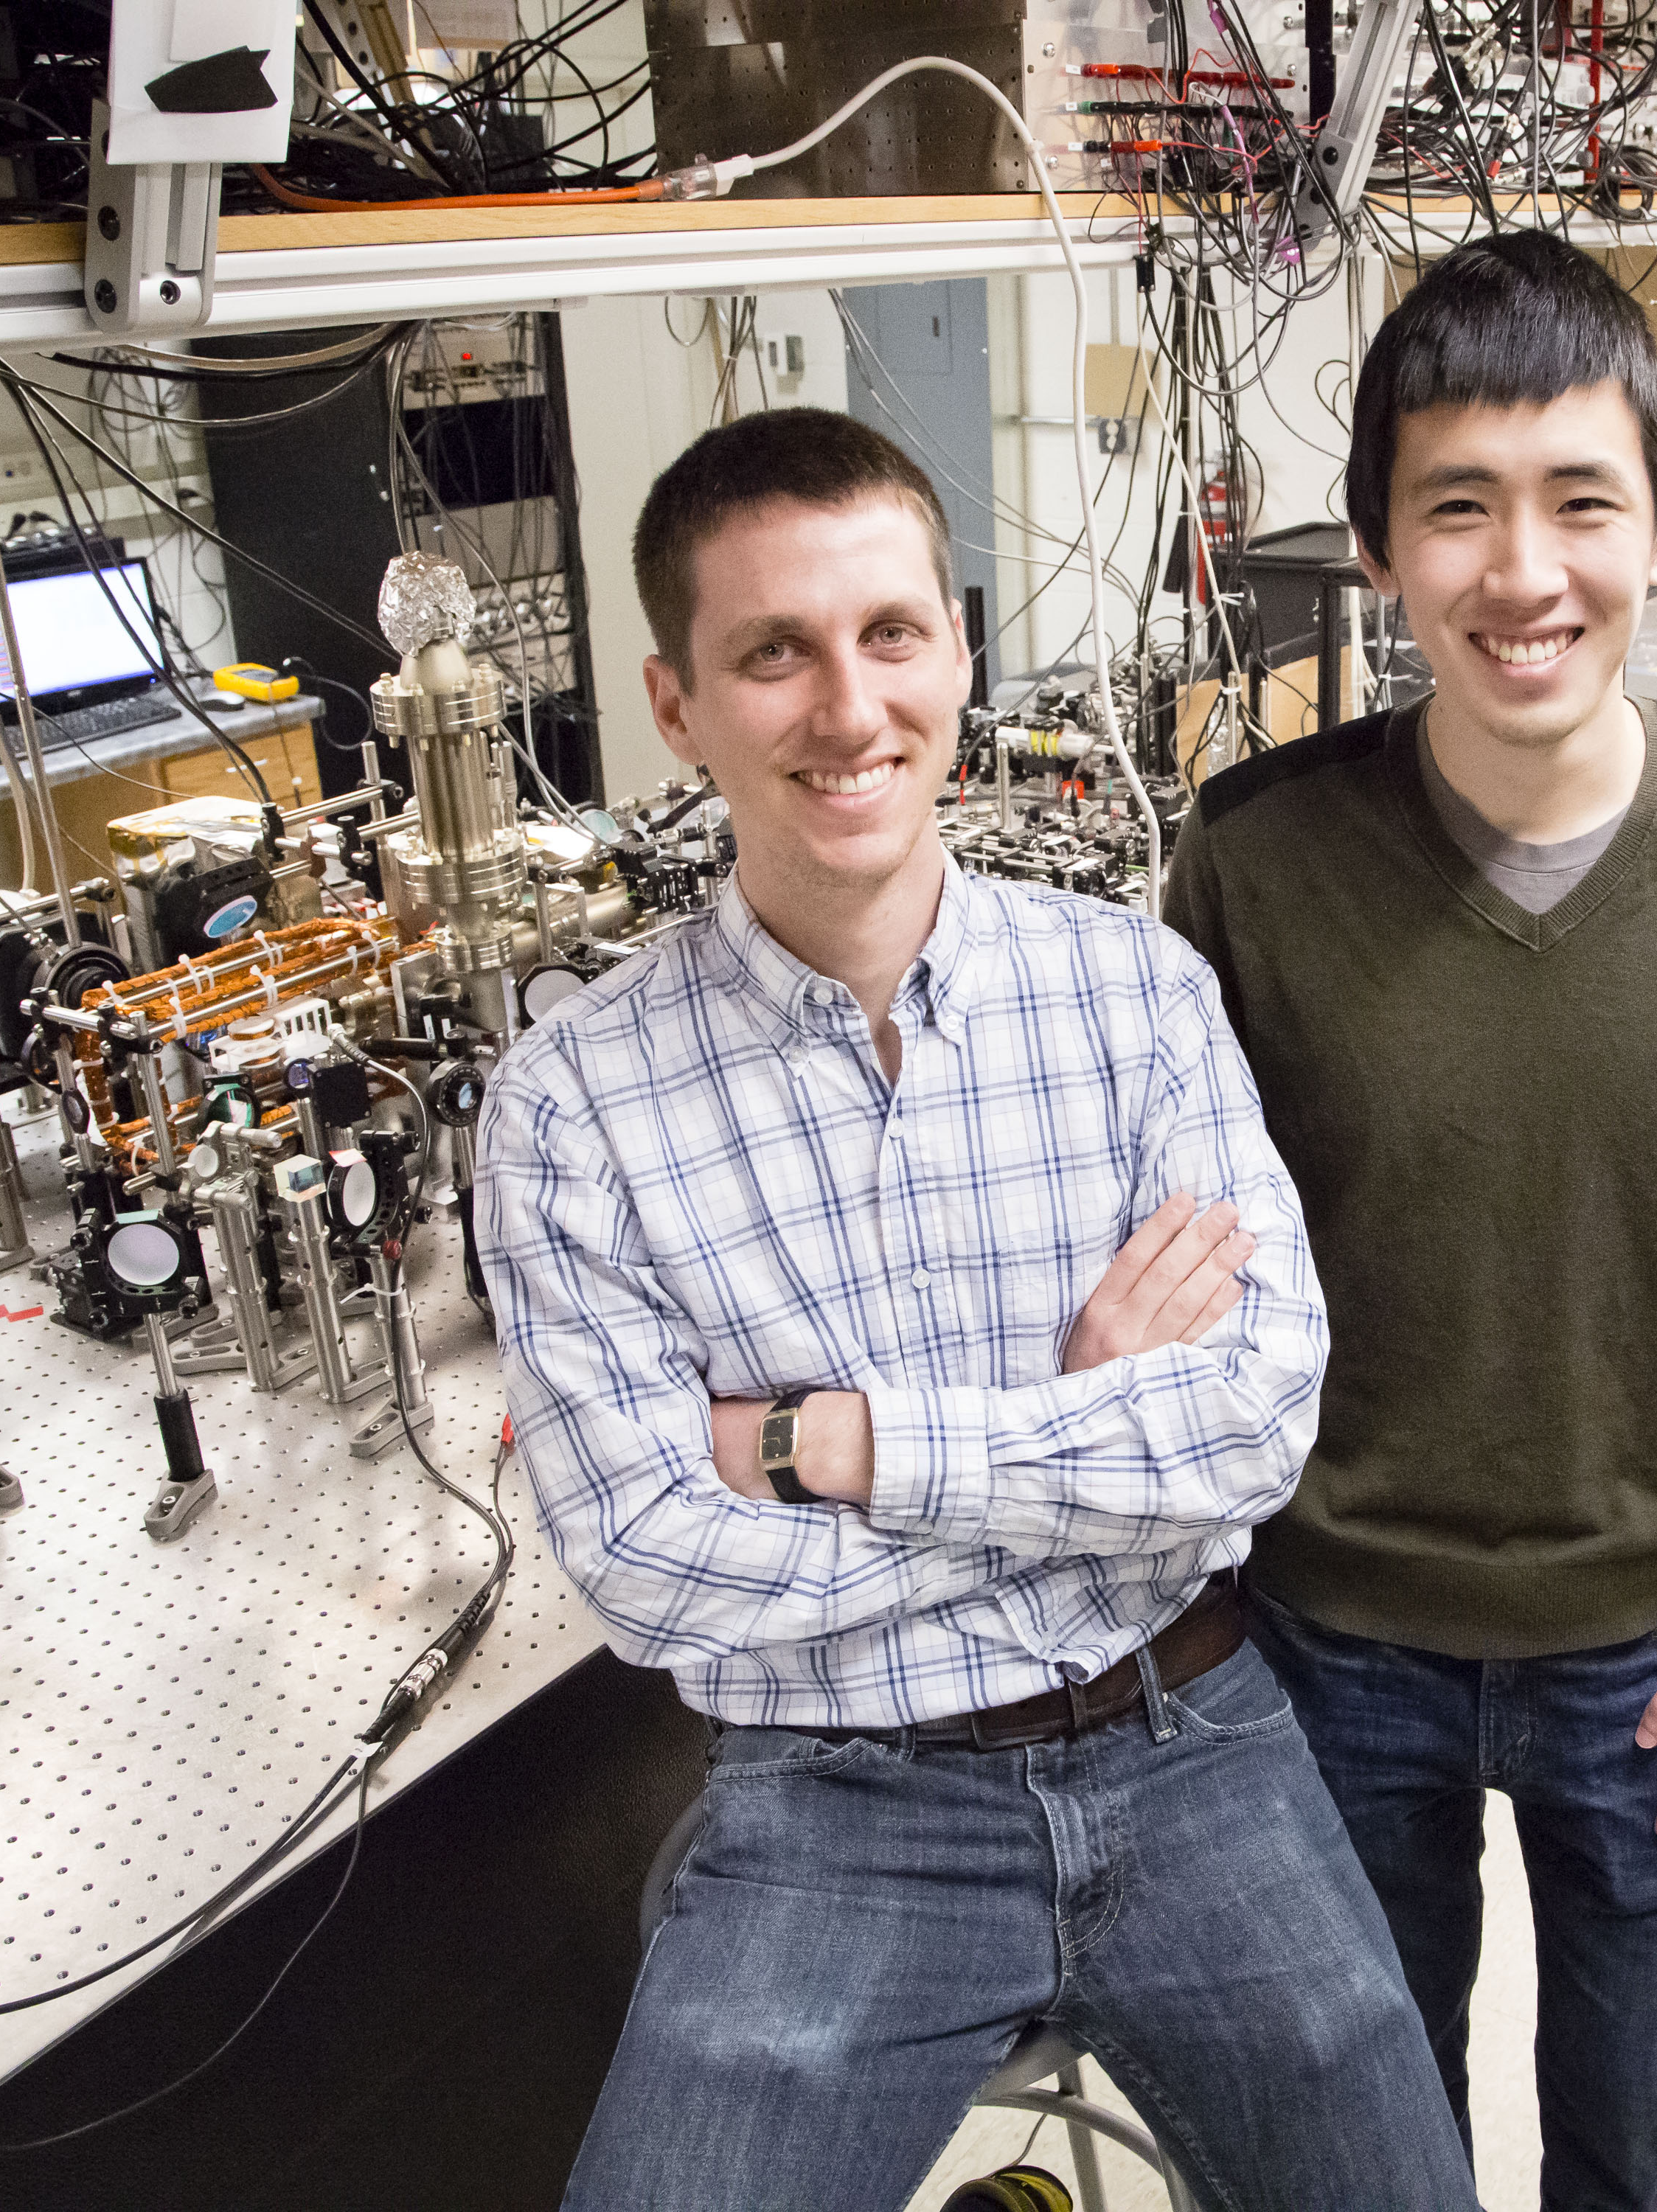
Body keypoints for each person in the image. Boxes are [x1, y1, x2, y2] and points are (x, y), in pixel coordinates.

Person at [476, 408, 1479, 2212]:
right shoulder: (571, 1104)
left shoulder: (1131, 992)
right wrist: (1090, 1430)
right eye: (771, 653)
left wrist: (840, 1447)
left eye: (889, 635)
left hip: (1194, 1748)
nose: (847, 709)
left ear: (957, 649)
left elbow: (1253, 1430)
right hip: (831, 1799)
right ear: (678, 706)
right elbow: (644, 1562)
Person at [1162, 230, 1657, 2212]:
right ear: (1378, 546)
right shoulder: (1254, 859)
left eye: (1579, 500)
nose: (1522, 572)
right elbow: (1187, 1256)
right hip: (1328, 1639)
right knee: (1363, 2153)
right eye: (1456, 509)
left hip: (1653, 1644)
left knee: (1628, 2153)